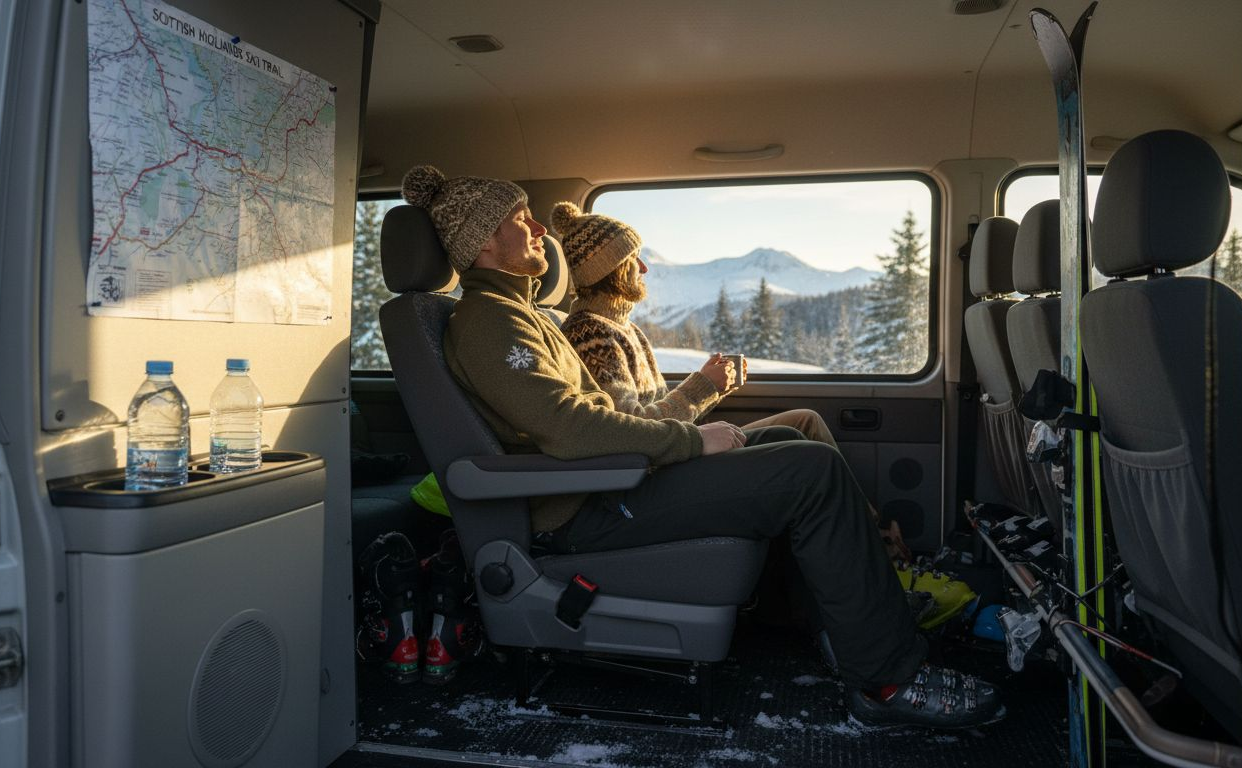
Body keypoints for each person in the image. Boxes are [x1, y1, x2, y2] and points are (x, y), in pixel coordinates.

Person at [400, 164, 1002, 729]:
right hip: (583, 511)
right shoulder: (487, 323)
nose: (536, 230)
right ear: (482, 243)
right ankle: (887, 680)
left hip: (608, 485)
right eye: (519, 219)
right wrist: (689, 441)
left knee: (789, 436)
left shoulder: (519, 314)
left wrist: (690, 438)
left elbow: (587, 421)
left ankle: (850, 631)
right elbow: (569, 426)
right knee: (811, 470)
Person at [549, 201, 910, 561]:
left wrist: (713, 387)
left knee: (803, 422)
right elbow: (633, 428)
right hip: (657, 471)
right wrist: (702, 386)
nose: (643, 268)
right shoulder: (590, 334)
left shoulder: (623, 328)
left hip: (676, 451)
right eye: (634, 260)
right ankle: (879, 547)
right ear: (609, 269)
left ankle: (871, 536)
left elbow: (660, 416)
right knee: (806, 452)